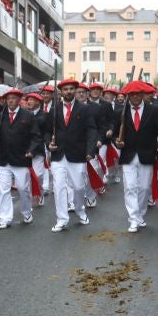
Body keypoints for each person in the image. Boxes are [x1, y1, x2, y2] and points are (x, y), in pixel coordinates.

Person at [111, 81, 158, 233]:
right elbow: (115, 132)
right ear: (128, 96)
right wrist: (117, 141)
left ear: (143, 94)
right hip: (128, 154)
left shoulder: (155, 110)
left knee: (144, 187)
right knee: (130, 187)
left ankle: (141, 214)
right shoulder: (120, 112)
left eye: (138, 94)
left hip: (147, 153)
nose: (135, 97)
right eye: (132, 94)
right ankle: (133, 218)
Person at [46, 78, 97, 232]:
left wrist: (90, 151)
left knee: (79, 187)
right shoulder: (54, 110)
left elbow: (91, 130)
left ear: (75, 90)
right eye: (65, 89)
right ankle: (61, 219)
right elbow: (47, 131)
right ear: (61, 92)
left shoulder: (84, 109)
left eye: (71, 89)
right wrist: (49, 143)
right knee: (59, 187)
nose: (68, 91)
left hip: (78, 154)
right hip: (58, 154)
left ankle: (80, 210)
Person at [0, 88, 41, 228]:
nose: (11, 101)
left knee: (22, 188)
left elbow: (36, 136)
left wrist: (31, 151)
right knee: (4, 189)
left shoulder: (28, 115)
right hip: (4, 158)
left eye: (13, 98)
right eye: (8, 98)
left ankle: (27, 211)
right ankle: (5, 217)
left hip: (21, 158)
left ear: (19, 100)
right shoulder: (0, 116)